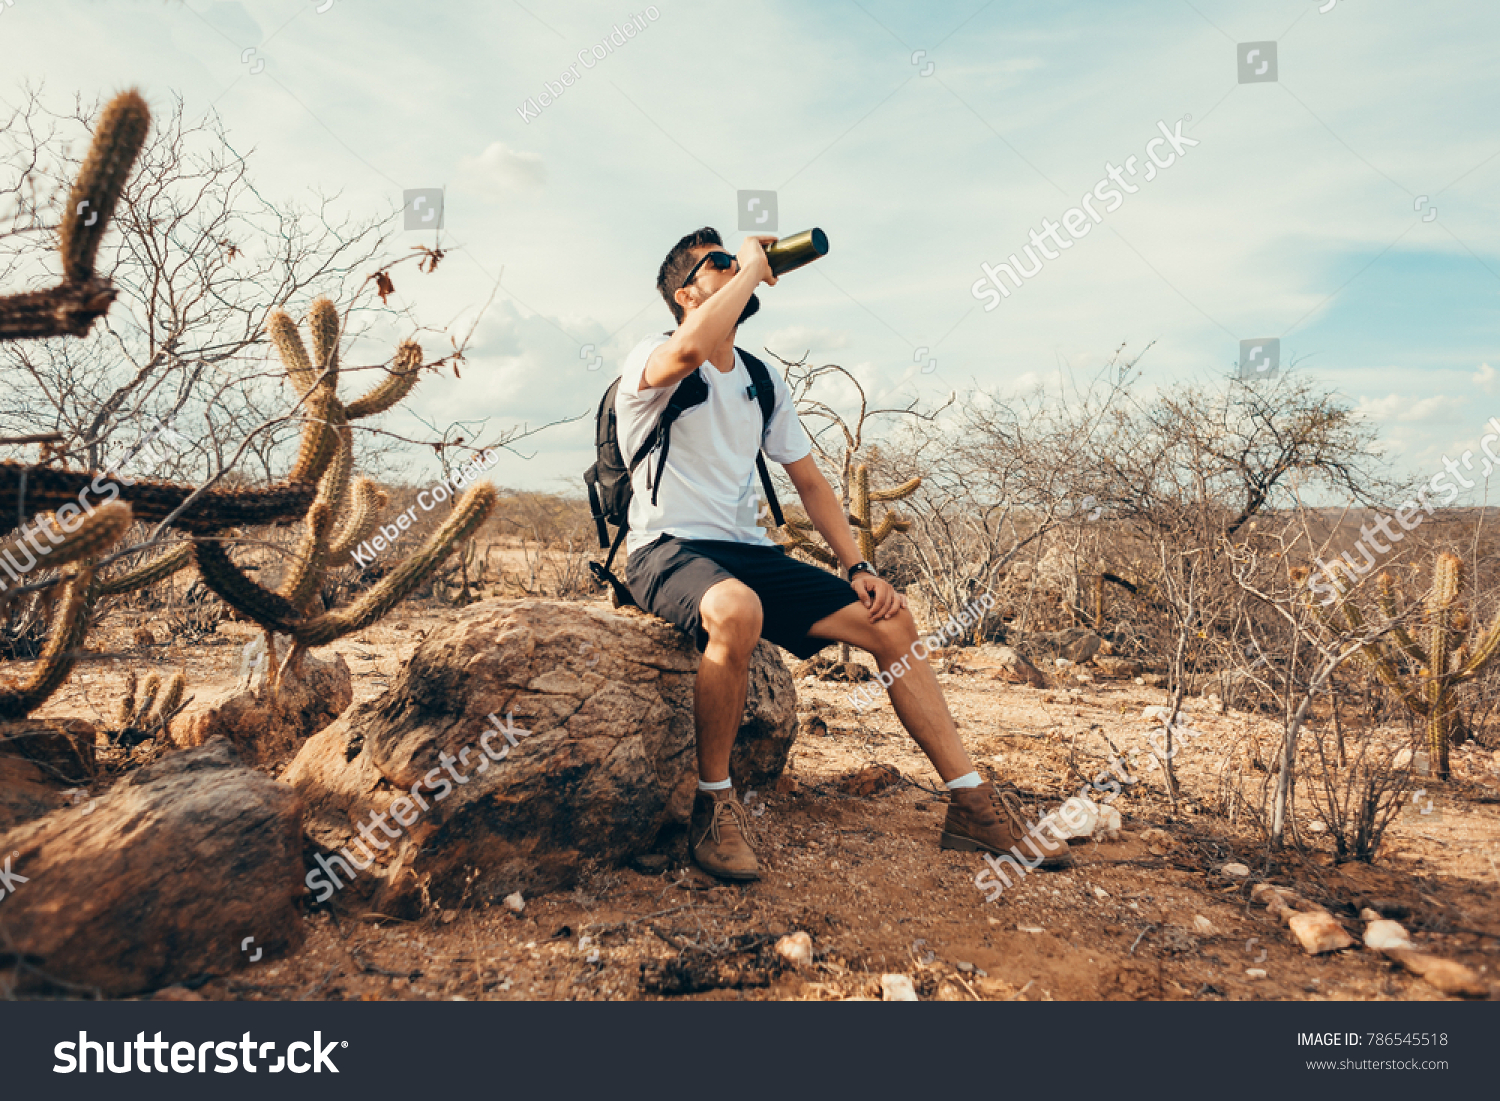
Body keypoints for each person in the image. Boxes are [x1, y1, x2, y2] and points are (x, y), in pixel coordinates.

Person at [617, 226, 1069, 881]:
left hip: (745, 551)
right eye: (719, 263)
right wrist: (753, 267)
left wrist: (858, 566)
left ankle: (971, 803)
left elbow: (810, 482)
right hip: (667, 548)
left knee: (893, 621)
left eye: (736, 260)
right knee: (737, 610)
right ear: (686, 293)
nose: (738, 267)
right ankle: (714, 806)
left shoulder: (760, 379)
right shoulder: (653, 356)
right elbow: (688, 348)